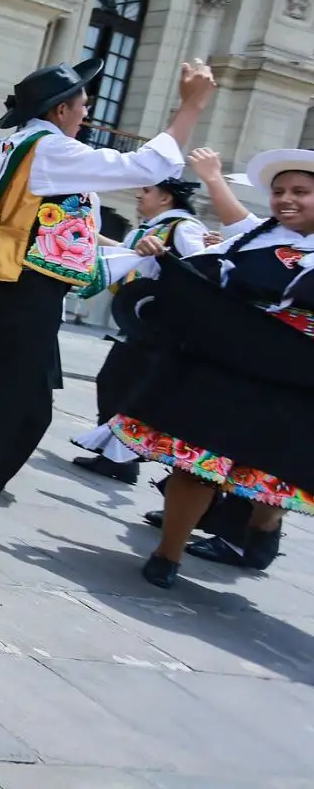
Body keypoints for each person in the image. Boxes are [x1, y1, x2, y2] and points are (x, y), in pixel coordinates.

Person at [0, 57, 217, 562]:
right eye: (83, 105)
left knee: (30, 410)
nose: (86, 114)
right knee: (1, 407)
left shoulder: (25, 147)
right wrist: (189, 106)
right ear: (61, 109)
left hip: (26, 290)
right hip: (24, 292)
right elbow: (144, 167)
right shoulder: (49, 149)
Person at [105, 146, 313, 588]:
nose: (286, 199)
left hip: (295, 381)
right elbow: (207, 276)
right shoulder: (256, 236)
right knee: (196, 463)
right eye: (279, 191)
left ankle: (263, 526)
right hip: (225, 366)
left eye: (301, 191)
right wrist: (162, 257)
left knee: (271, 477)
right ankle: (168, 553)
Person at [70, 169, 209, 484]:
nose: (138, 195)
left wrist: (165, 258)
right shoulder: (151, 228)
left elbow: (202, 269)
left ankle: (124, 459)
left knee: (124, 384)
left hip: (161, 325)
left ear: (165, 196)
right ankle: (117, 455)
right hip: (140, 321)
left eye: (146, 190)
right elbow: (125, 250)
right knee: (114, 382)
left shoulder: (184, 228)